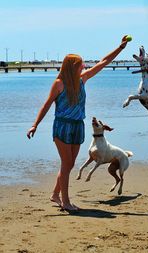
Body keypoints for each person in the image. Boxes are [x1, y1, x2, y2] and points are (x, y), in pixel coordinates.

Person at [27, 36, 128, 211]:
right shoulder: (59, 84)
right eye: (81, 64)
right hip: (62, 126)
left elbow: (103, 62)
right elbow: (46, 104)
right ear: (73, 67)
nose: (84, 66)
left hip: (77, 126)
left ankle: (55, 195)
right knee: (66, 164)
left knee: (70, 164)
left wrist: (120, 48)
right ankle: (65, 202)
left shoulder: (83, 79)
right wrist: (35, 124)